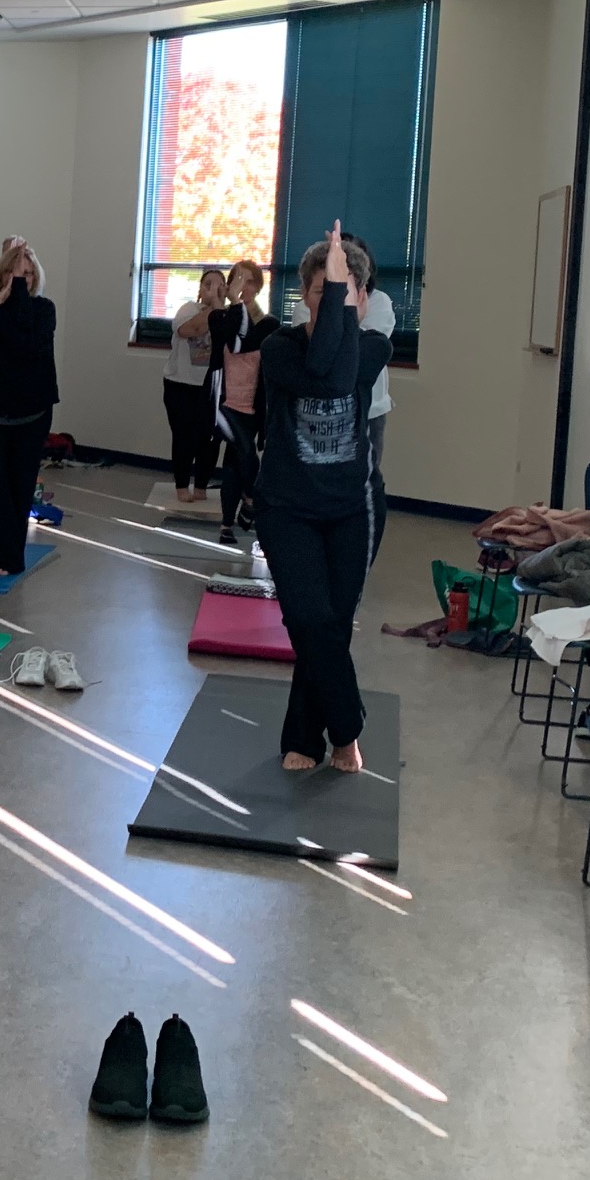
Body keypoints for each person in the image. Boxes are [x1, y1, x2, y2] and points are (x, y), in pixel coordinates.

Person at [256, 224, 391, 773]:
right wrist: (334, 290)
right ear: (305, 296)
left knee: (331, 625)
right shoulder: (278, 349)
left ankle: (305, 738)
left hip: (352, 511)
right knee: (309, 619)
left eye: (342, 288)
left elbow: (340, 377)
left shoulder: (375, 347)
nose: (330, 298)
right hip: (286, 508)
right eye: (319, 289)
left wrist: (340, 293)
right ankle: (348, 726)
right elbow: (321, 374)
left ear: (361, 297)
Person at [0, 241, 58, 577]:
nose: (19, 280)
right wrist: (1, 301)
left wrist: (14, 297)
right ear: (1, 274)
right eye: (13, 273)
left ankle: (12, 556)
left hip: (31, 412)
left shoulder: (44, 309)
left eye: (26, 274)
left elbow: (23, 347)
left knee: (19, 486)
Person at [207, 259, 278, 547]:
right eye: (237, 280)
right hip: (223, 405)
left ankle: (227, 525)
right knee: (246, 451)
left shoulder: (270, 324)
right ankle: (251, 500)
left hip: (252, 406)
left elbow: (249, 340)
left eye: (248, 282)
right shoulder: (218, 318)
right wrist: (233, 303)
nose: (242, 287)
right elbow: (236, 342)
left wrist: (237, 304)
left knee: (236, 463)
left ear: (258, 288)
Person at [343, 233, 395, 562]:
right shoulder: (307, 301)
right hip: (326, 408)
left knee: (367, 475)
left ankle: (358, 539)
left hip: (370, 408)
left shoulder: (380, 302)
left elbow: (362, 352)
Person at [162, 269, 226, 503]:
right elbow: (190, 330)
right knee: (183, 436)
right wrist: (211, 306)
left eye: (219, 285)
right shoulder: (188, 309)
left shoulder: (227, 314)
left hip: (210, 387)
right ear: (199, 288)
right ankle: (181, 486)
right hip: (180, 384)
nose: (212, 289)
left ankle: (201, 486)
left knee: (209, 439)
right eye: (207, 284)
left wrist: (219, 305)